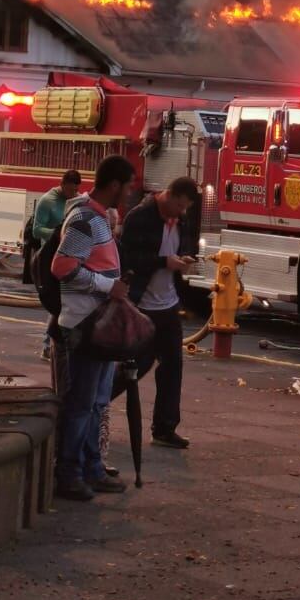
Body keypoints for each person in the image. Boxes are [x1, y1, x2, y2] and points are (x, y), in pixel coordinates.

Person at [50, 154, 135, 501]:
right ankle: (69, 473)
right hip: (83, 326)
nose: (129, 193)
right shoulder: (85, 218)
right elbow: (62, 267)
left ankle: (90, 468)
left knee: (96, 402)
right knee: (82, 403)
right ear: (114, 185)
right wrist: (107, 286)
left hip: (96, 326)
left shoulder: (97, 217)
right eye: (127, 186)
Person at [120, 176, 200, 450]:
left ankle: (165, 428)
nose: (181, 212)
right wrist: (164, 262)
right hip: (142, 304)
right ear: (169, 195)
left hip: (168, 303)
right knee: (136, 365)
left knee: (172, 366)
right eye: (179, 206)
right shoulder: (139, 217)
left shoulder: (181, 220)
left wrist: (184, 258)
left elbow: (184, 246)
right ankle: (95, 407)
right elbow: (130, 259)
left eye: (185, 208)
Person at [31, 169, 82, 361]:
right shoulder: (48, 201)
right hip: (50, 257)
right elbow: (37, 230)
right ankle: (48, 345)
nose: (73, 193)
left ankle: (51, 344)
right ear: (62, 185)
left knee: (64, 301)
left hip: (68, 255)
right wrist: (59, 234)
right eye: (70, 190)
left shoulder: (75, 200)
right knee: (59, 301)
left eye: (76, 190)